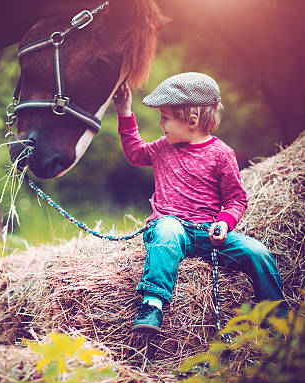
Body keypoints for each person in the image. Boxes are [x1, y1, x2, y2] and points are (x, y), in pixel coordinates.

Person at [112, 72, 286, 335]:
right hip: (171, 229)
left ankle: (277, 318)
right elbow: (135, 152)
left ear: (191, 121)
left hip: (209, 233)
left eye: (165, 117)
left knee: (257, 251)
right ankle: (153, 304)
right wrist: (125, 112)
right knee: (167, 229)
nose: (161, 124)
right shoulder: (162, 148)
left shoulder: (221, 154)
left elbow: (236, 199)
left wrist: (224, 225)